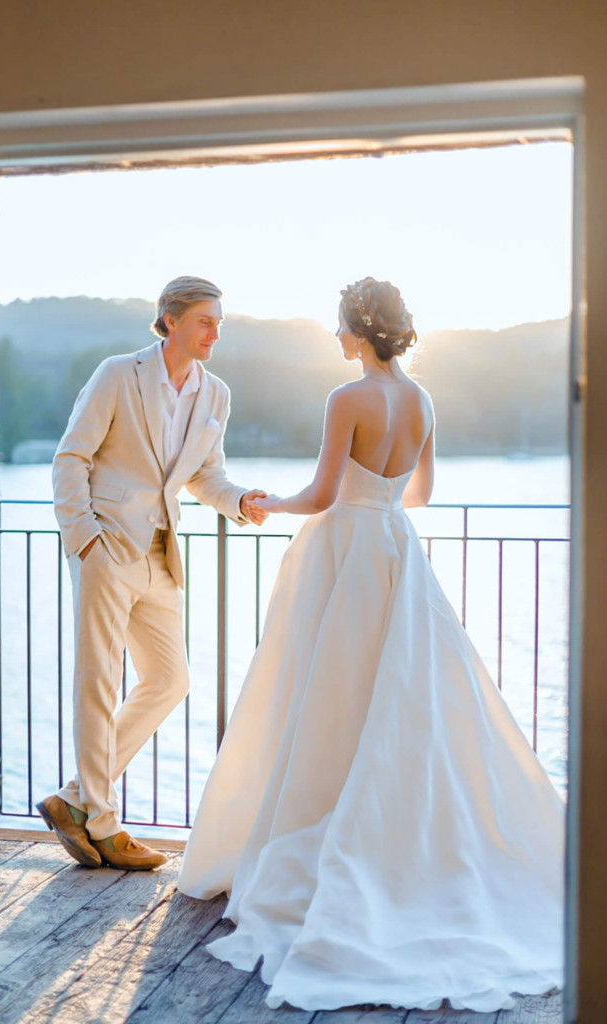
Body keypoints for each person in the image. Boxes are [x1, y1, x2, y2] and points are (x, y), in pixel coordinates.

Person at [176, 277, 565, 1013]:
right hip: (394, 546)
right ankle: (403, 842)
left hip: (343, 550)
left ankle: (321, 833)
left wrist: (263, 504)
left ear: (358, 329)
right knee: (402, 701)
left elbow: (322, 496)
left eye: (339, 326)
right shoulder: (420, 400)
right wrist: (374, 495)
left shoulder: (345, 399)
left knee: (325, 696)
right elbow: (418, 494)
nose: (334, 337)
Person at [37, 276, 268, 871]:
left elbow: (204, 476)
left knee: (169, 679)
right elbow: (71, 457)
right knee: (98, 683)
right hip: (106, 548)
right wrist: (83, 539)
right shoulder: (118, 374)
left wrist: (240, 501)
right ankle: (105, 825)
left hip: (163, 557)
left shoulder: (215, 395)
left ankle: (72, 800)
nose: (216, 331)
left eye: (219, 321)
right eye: (205, 321)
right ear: (170, 321)